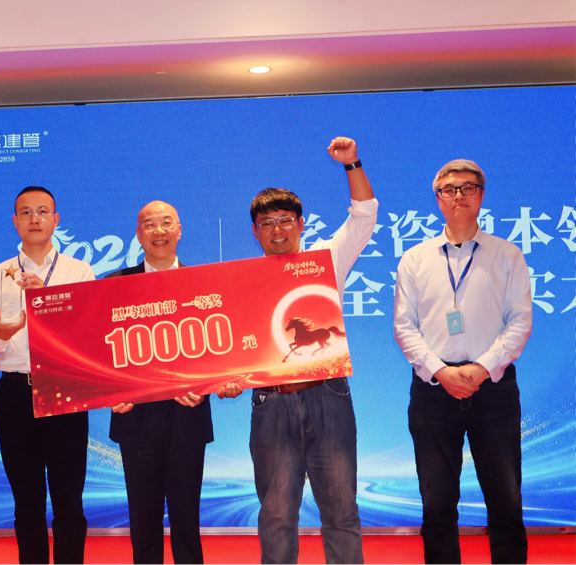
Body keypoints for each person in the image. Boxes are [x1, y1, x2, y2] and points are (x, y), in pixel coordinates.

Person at [218, 137, 376, 565]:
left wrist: (351, 164)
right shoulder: (239, 282)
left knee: (341, 512)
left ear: (301, 224)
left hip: (328, 396)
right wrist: (227, 380)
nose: (277, 230)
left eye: (285, 220)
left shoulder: (325, 261)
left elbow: (364, 215)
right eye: (266, 223)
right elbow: (230, 348)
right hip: (271, 405)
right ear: (255, 232)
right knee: (275, 516)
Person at [393, 160, 531, 565]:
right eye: (449, 189)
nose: (459, 196)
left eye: (468, 187)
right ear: (437, 199)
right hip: (433, 390)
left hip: (493, 390)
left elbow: (520, 322)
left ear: (481, 196)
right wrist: (440, 371)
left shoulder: (507, 255)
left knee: (506, 500)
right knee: (437, 503)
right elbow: (403, 326)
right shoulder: (415, 259)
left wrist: (483, 367)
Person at [0, 186, 94, 565]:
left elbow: (85, 336)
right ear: (15, 221)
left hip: (64, 391)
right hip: (15, 393)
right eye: (26, 212)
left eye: (42, 211)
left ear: (56, 220)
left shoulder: (79, 271)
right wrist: (2, 334)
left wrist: (46, 300)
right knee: (26, 501)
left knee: (68, 500)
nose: (34, 219)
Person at [107, 201, 212, 565]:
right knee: (143, 520)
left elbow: (218, 349)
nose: (159, 231)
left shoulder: (204, 283)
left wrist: (206, 385)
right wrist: (111, 391)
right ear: (138, 234)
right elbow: (100, 351)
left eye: (166, 223)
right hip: (135, 420)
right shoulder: (114, 285)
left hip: (188, 418)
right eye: (149, 224)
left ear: (179, 230)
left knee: (187, 520)